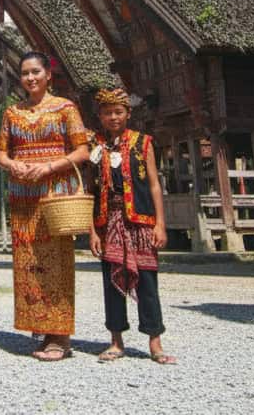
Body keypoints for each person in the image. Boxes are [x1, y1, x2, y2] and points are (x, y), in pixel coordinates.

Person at [0, 51, 90, 361]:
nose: (30, 78)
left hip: (54, 194)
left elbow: (82, 151)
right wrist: (12, 165)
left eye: (36, 71)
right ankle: (41, 328)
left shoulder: (65, 108)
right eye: (25, 73)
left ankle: (60, 336)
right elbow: (1, 153)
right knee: (29, 263)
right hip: (22, 195)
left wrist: (49, 166)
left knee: (57, 262)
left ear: (48, 74)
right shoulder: (12, 113)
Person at [87, 87, 176, 365]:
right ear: (100, 116)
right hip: (108, 221)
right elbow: (89, 190)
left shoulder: (144, 143)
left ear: (127, 113)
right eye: (107, 113)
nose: (113, 117)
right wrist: (92, 230)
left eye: (118, 112)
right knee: (111, 283)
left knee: (147, 280)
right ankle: (116, 341)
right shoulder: (95, 145)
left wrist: (160, 224)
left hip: (140, 222)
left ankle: (155, 341)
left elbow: (154, 184)